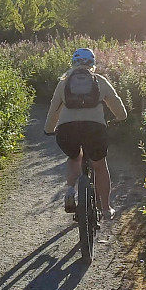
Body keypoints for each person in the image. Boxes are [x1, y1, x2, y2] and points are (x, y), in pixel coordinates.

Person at [44, 48, 127, 219]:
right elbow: (117, 104)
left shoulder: (64, 82)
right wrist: (119, 118)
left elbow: (54, 109)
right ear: (93, 63)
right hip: (94, 129)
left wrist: (49, 129)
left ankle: (69, 190)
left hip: (68, 130)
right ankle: (105, 208)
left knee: (74, 157)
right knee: (100, 165)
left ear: (73, 63)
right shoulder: (99, 80)